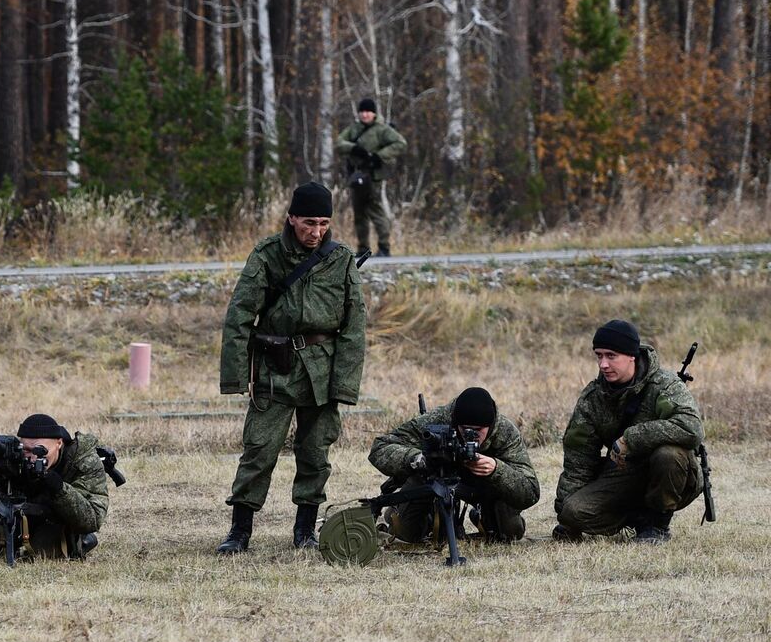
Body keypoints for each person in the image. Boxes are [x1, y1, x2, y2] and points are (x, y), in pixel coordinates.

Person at [216, 182, 367, 554]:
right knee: (259, 449)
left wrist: (344, 385)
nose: (316, 232)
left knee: (316, 453)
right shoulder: (267, 255)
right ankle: (240, 531)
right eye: (309, 223)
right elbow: (239, 317)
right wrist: (236, 377)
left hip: (322, 371)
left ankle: (304, 530)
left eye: (324, 224)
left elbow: (354, 326)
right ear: (292, 219)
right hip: (275, 367)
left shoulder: (341, 258)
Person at [553, 319, 705, 544]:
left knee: (668, 454)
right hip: (622, 474)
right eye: (599, 355)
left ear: (632, 355)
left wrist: (632, 438)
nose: (603, 364)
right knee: (573, 512)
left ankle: (657, 524)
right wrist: (566, 518)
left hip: (674, 473)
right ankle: (637, 518)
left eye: (611, 356)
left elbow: (691, 428)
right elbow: (579, 459)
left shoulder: (664, 385)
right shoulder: (594, 398)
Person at [367, 387, 539, 544]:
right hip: (435, 481)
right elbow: (380, 448)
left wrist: (496, 469)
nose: (471, 435)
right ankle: (418, 514)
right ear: (455, 423)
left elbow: (530, 492)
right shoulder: (439, 420)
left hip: (484, 488)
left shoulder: (505, 432)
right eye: (465, 429)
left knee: (510, 534)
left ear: (491, 425)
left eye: (478, 430)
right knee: (405, 534)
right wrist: (419, 458)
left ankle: (482, 516)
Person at [0, 414, 111, 560]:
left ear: (59, 443)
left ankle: (83, 541)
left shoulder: (82, 459)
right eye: (26, 450)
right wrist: (6, 509)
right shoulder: (11, 456)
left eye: (40, 451)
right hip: (16, 519)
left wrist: (59, 488)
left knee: (41, 551)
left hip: (57, 519)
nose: (32, 457)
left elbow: (92, 519)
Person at [333, 98, 407, 258]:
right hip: (357, 176)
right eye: (362, 111)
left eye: (368, 111)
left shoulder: (382, 130)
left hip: (373, 177)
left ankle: (384, 247)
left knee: (375, 211)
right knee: (359, 212)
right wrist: (353, 148)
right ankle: (363, 248)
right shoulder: (353, 129)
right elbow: (338, 143)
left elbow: (400, 143)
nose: (365, 114)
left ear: (374, 113)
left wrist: (379, 156)